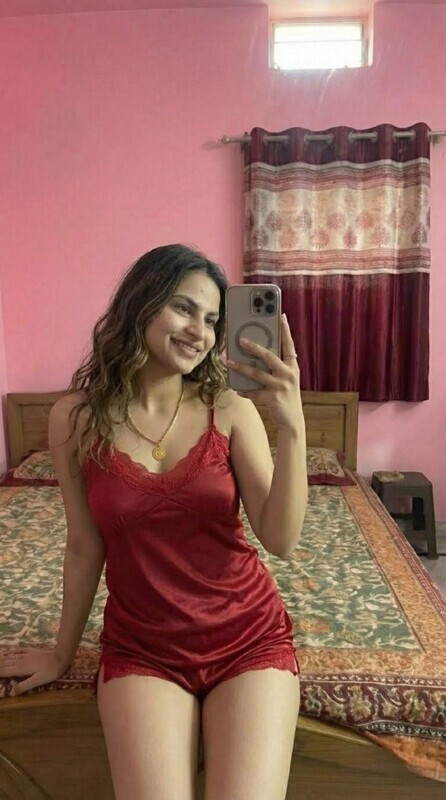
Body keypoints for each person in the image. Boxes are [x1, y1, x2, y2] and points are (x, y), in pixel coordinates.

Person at [0, 244, 308, 800]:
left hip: (248, 639)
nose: (199, 331)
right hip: (143, 648)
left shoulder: (231, 411)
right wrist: (62, 652)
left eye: (211, 320)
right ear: (141, 304)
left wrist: (292, 425)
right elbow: (83, 545)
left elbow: (281, 539)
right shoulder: (75, 418)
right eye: (184, 308)